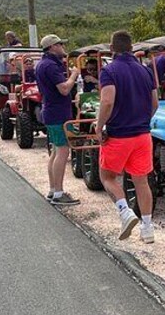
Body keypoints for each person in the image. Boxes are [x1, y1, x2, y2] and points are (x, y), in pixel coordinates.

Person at [95, 30, 158, 243]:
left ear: (111, 49)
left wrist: (99, 126)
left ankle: (125, 212)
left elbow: (107, 101)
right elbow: (155, 103)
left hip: (118, 135)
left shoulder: (109, 70)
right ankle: (147, 228)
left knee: (108, 177)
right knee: (141, 181)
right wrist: (142, 121)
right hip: (142, 135)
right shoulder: (146, 71)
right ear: (132, 48)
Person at [35, 34, 80, 206]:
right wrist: (74, 75)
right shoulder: (51, 66)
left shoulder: (42, 64)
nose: (63, 47)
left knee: (55, 151)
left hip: (50, 111)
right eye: (61, 44)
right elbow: (64, 89)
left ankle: (53, 190)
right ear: (53, 46)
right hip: (58, 113)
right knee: (62, 151)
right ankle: (59, 193)